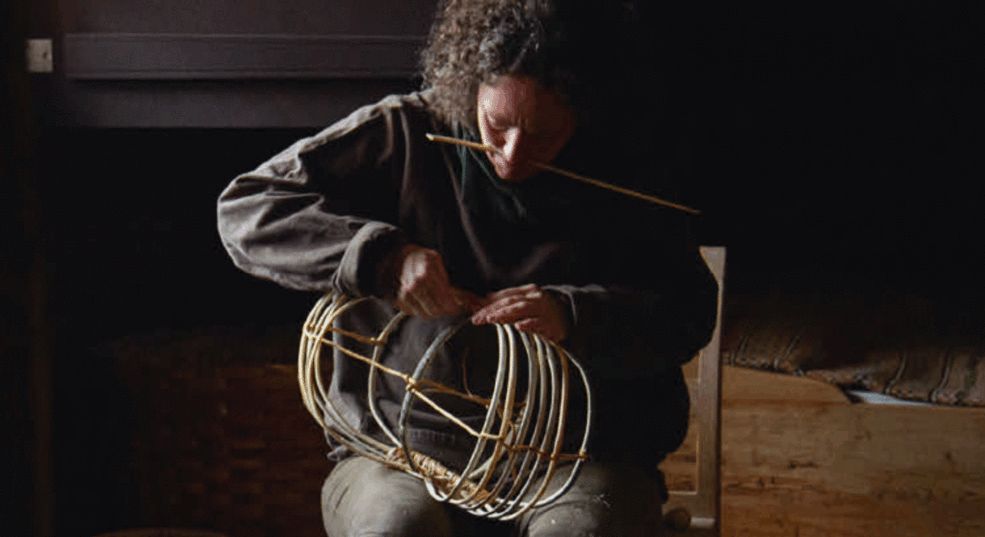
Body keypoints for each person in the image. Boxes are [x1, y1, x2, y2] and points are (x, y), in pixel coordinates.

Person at [217, 0, 718, 535]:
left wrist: (573, 315)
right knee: (397, 527)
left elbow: (688, 310)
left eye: (542, 135)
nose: (513, 155)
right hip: (400, 454)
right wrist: (384, 259)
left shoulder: (624, 167)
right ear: (468, 88)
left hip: (579, 460)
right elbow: (247, 209)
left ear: (584, 113)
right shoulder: (405, 133)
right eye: (497, 124)